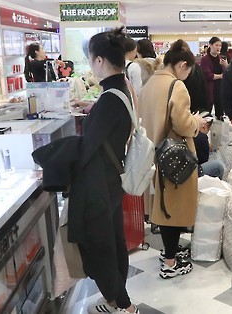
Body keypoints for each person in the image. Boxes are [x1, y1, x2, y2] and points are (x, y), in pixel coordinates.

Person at [69, 27, 139, 314]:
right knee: (112, 240)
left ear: (100, 61)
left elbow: (88, 146)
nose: (90, 66)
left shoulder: (110, 97)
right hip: (111, 178)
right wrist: (93, 108)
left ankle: (124, 305)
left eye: (90, 59)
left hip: (99, 183)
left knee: (100, 245)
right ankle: (116, 300)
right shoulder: (119, 90)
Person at [138, 39, 205, 279]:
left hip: (155, 155)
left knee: (164, 208)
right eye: (188, 70)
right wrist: (197, 123)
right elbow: (183, 124)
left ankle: (169, 252)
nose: (188, 75)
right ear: (182, 65)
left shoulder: (150, 84)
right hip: (175, 157)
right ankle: (170, 262)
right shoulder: (176, 86)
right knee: (173, 210)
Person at [200, 37, 228, 119]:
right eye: (216, 45)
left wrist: (226, 65)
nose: (218, 47)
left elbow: (228, 73)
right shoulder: (205, 59)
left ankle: (219, 130)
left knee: (220, 112)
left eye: (220, 45)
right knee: (207, 113)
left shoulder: (221, 58)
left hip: (220, 88)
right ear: (210, 45)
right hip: (209, 88)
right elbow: (207, 75)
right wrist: (220, 76)